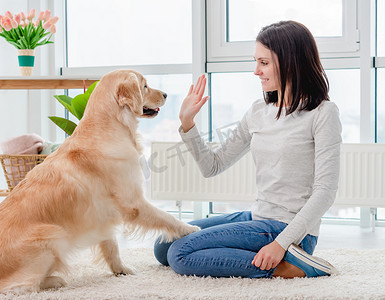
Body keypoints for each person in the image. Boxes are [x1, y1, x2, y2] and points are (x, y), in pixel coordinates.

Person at [154, 20, 342, 279]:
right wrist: (187, 123)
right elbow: (213, 166)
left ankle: (289, 266)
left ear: (291, 62)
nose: (256, 71)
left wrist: (280, 245)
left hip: (291, 229)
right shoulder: (258, 111)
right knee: (164, 244)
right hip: (257, 216)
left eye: (264, 63)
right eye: (256, 62)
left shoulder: (322, 113)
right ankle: (261, 255)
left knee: (180, 254)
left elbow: (325, 192)